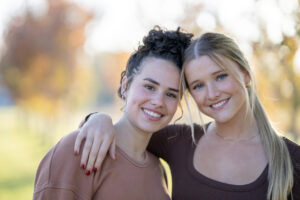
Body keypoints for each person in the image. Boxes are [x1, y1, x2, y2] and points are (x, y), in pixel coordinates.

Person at [74, 32, 300, 200]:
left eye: (220, 77)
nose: (212, 94)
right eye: (198, 86)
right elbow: (128, 129)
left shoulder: (292, 160)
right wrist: (97, 118)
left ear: (246, 74)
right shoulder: (179, 141)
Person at [33, 26, 193, 200]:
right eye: (149, 87)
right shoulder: (77, 150)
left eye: (171, 94)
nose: (158, 101)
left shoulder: (158, 170)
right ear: (125, 86)